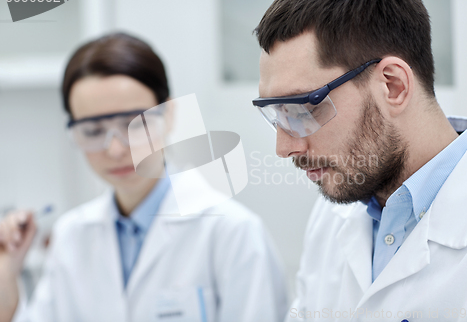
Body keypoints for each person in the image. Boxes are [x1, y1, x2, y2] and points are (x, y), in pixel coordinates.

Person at [0, 32, 287, 322]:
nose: (114, 149)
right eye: (93, 131)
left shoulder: (233, 233)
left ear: (170, 113)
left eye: (133, 124)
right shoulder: (71, 236)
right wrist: (6, 286)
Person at [252, 0, 467, 320]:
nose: (284, 148)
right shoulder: (331, 216)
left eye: (300, 110)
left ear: (393, 86)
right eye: (276, 116)